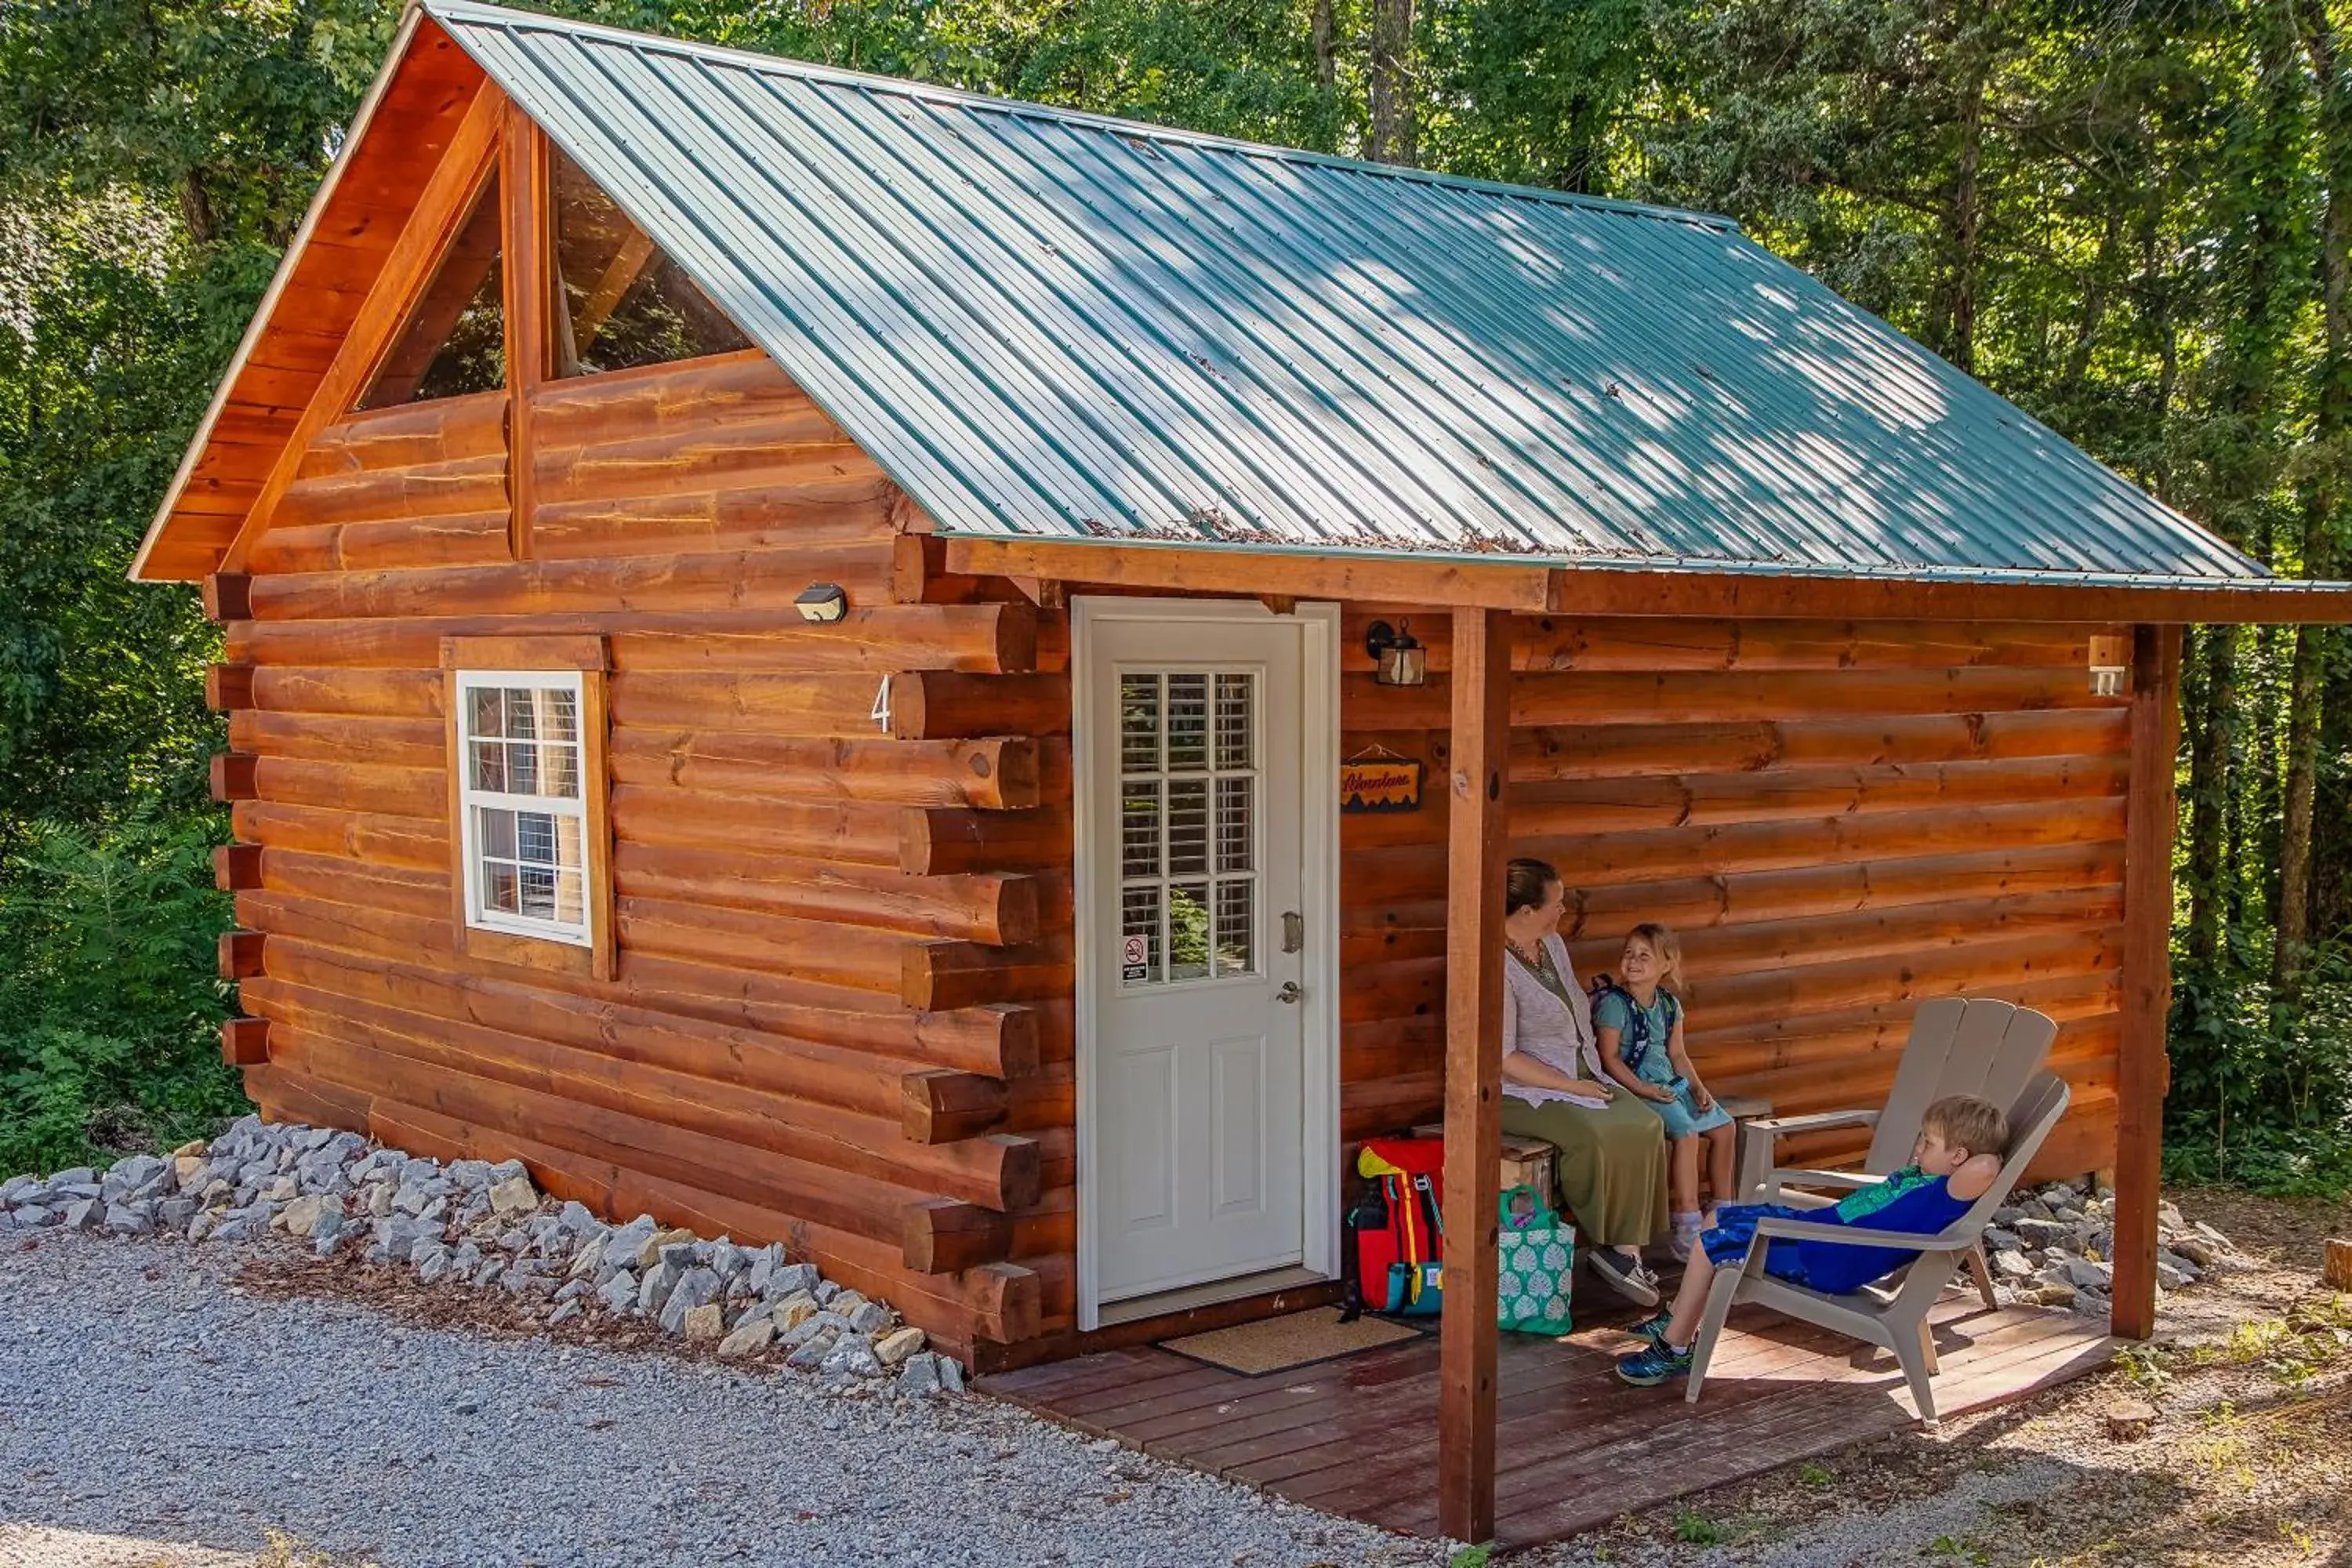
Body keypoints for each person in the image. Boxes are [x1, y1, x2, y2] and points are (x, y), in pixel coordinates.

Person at [1613, 1093, 2011, 1386]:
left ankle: (1676, 1349)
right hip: (1818, 1232)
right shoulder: (1926, 1178)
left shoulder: (1947, 1192)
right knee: (1717, 1215)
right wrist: (1945, 1149)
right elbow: (1971, 1159)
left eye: (1928, 1143)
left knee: (1711, 1243)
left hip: (1823, 1256)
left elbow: (1986, 1164)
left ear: (1959, 1158)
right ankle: (1679, 1319)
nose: (1917, 1147)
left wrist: (1975, 1151)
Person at [1497, 858, 1672, 1308]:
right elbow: (1506, 1059)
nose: (1563, 909)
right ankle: (1609, 1244)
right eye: (1556, 902)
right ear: (1525, 912)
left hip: (1584, 1076)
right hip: (1525, 1091)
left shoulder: (1551, 944)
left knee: (1645, 1123)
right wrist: (1572, 1089)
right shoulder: (1496, 966)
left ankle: (1625, 1252)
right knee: (1596, 1135)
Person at [1592, 923, 1735, 1263]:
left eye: (1645, 956)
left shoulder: (1669, 1005)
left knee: (1725, 1127)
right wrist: (1644, 1089)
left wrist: (1699, 1088)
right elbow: (1608, 1057)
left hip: (1669, 1083)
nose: (1634, 962)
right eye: (1629, 953)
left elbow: (1678, 1055)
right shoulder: (1615, 1004)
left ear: (1666, 965)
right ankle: (1686, 1223)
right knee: (1685, 1134)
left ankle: (1724, 1213)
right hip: (1633, 1086)